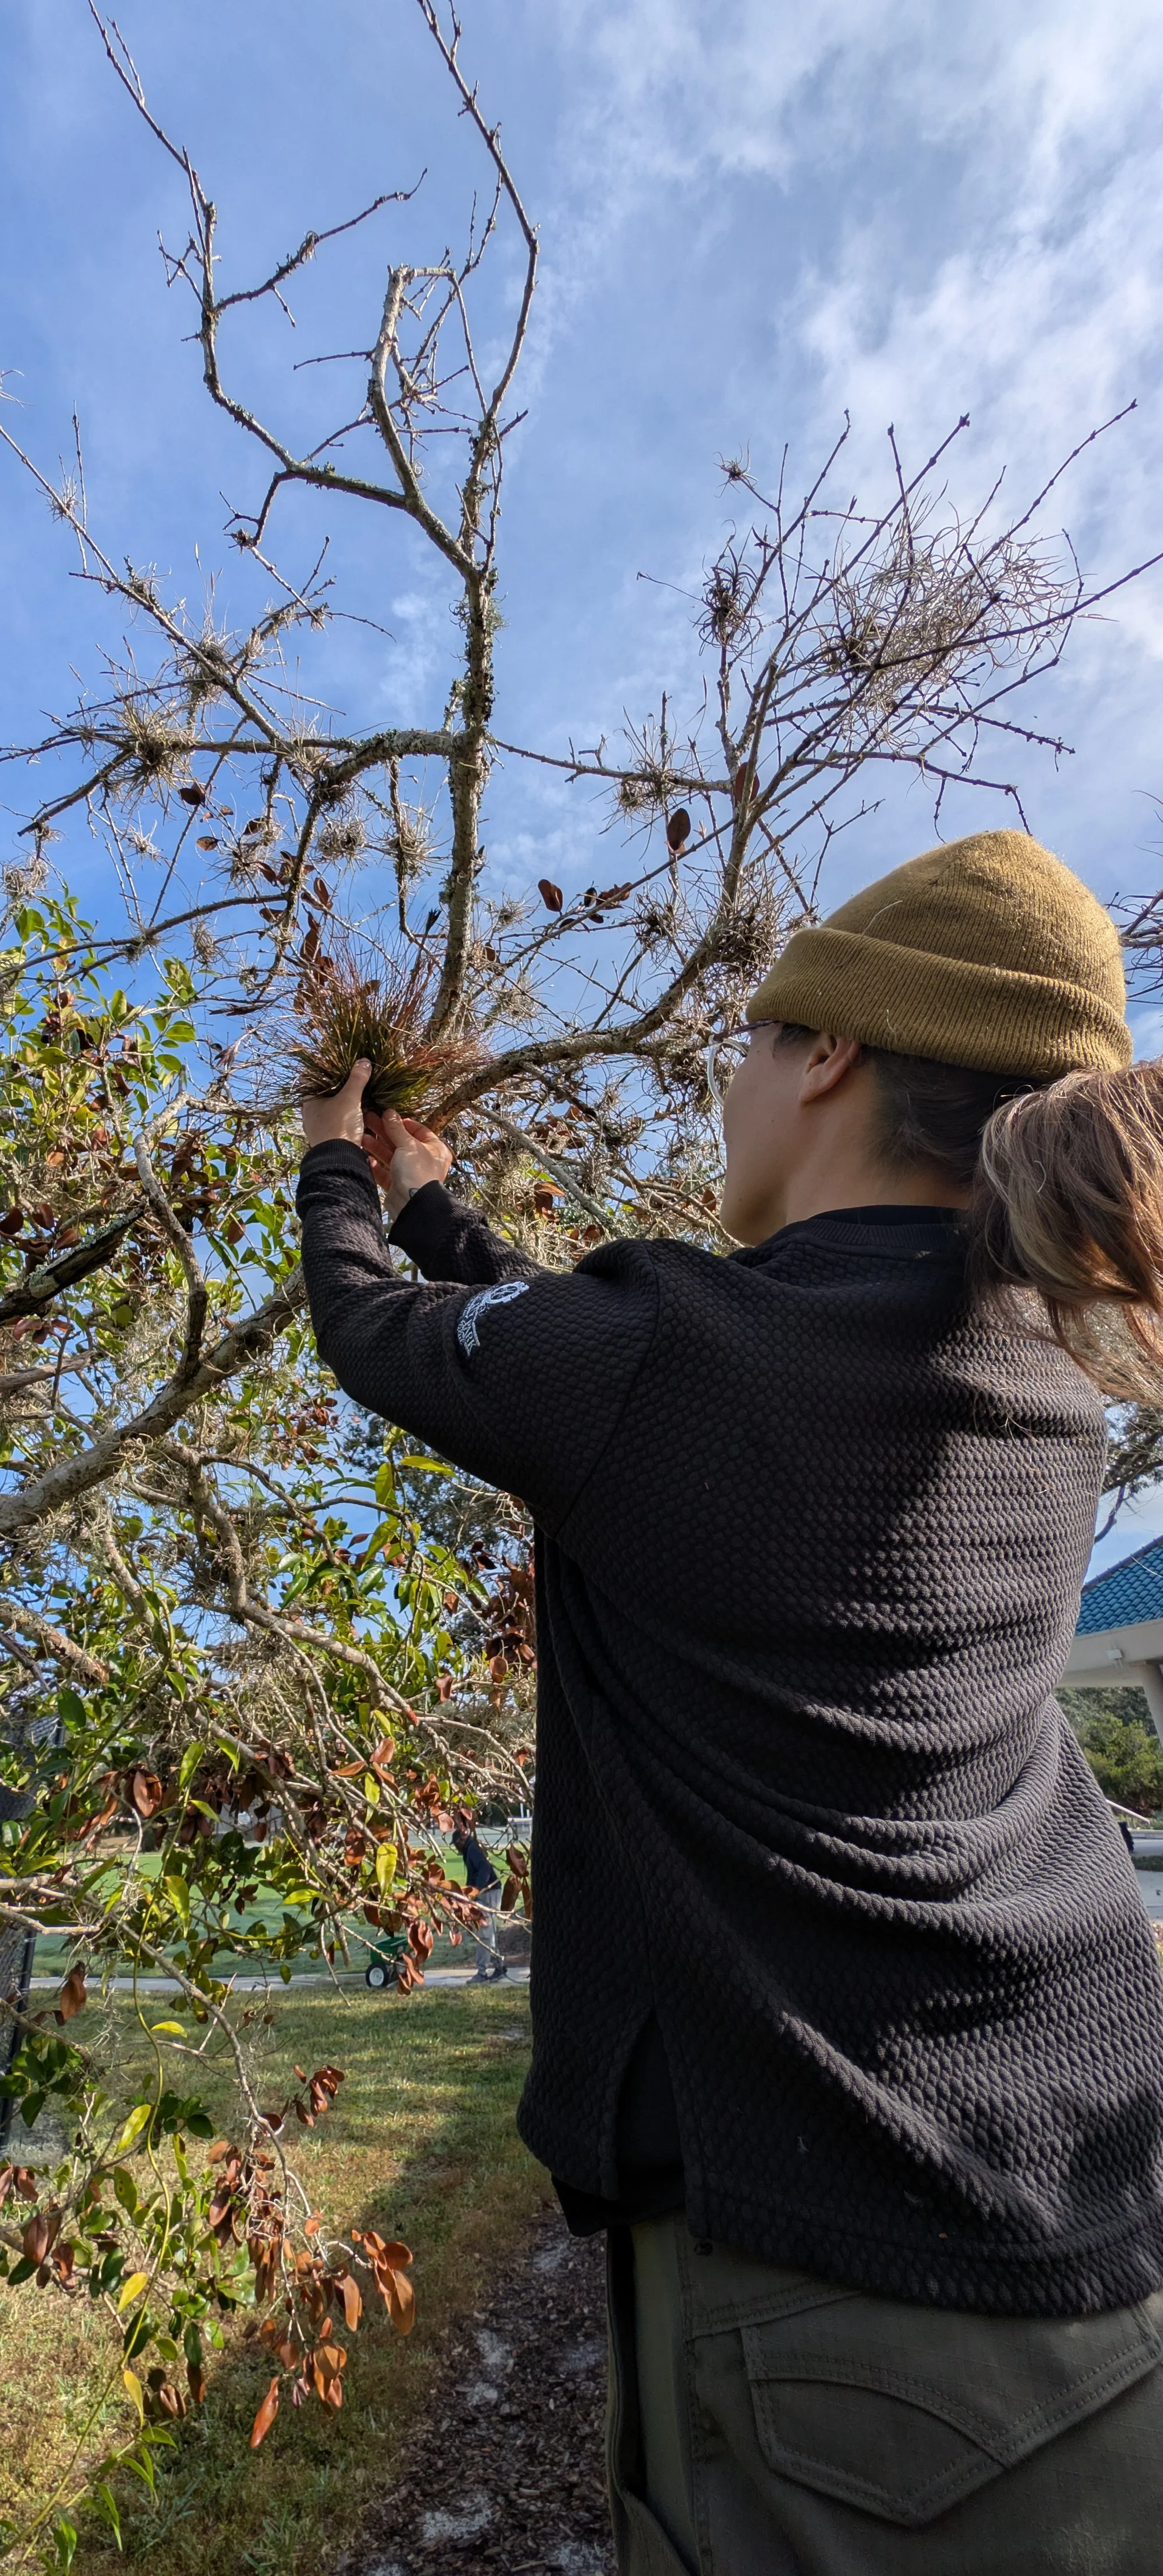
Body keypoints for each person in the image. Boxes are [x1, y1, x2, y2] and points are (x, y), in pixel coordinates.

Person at [295, 829, 1163, 2573]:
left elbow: (383, 1330)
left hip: (837, 2312)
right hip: (1095, 2208)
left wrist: (336, 1171)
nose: (730, 1084)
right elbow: (607, 1352)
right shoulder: (1039, 1386)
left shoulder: (675, 1353)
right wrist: (441, 1190)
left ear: (824, 1052)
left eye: (750, 1042)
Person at [452, 1812, 507, 1982]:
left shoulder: (472, 1849)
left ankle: (482, 1973)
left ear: (461, 1840)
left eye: (456, 1845)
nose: (457, 1849)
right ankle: (499, 1967)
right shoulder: (471, 1848)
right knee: (488, 1932)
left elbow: (483, 1869)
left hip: (489, 1893)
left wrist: (477, 1891)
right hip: (491, 1891)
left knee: (484, 1933)